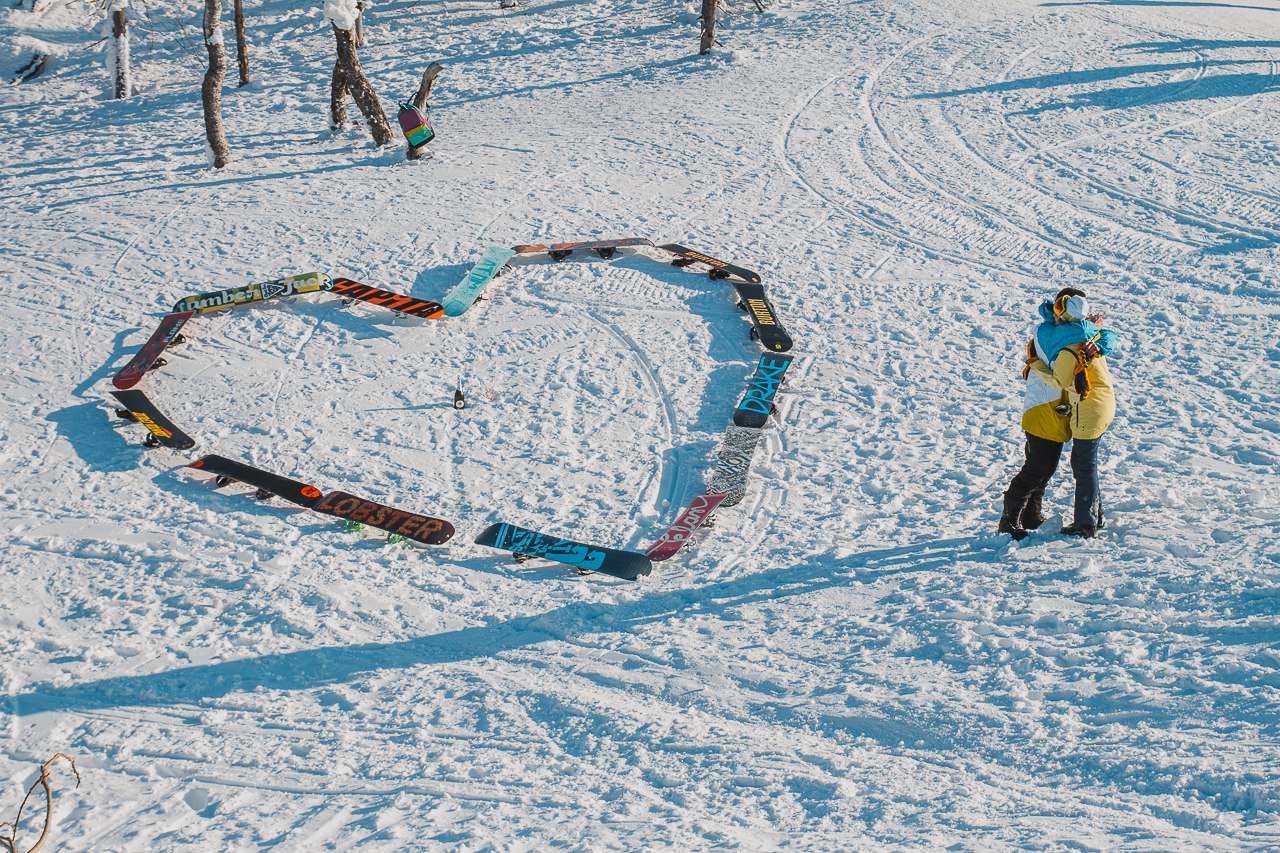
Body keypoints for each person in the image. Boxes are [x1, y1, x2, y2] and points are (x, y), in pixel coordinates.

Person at [1000, 288, 1119, 540]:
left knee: (1048, 467)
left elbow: (1103, 338)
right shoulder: (1051, 335)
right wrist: (1093, 331)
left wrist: (1096, 337)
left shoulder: (1072, 337)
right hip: (1043, 409)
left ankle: (1034, 516)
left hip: (1060, 410)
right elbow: (1060, 376)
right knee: (1038, 467)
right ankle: (1009, 521)